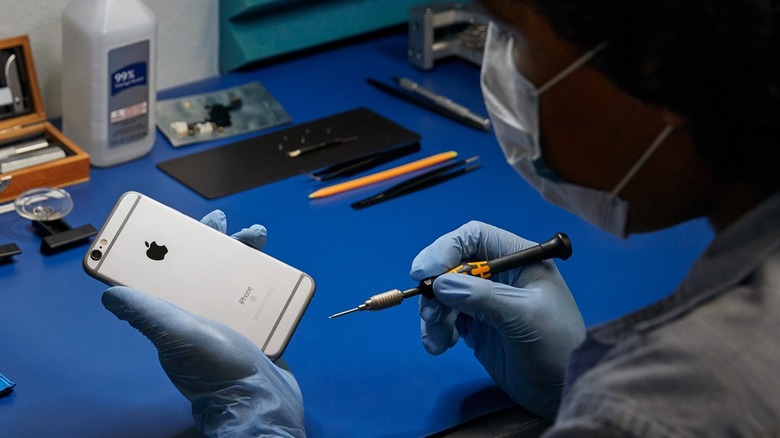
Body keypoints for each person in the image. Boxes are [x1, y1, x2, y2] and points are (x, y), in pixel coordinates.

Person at [101, 0, 780, 436]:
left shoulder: (668, 405)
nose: (500, 72)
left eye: (513, 34)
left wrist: (258, 423)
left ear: (662, 70)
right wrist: (567, 387)